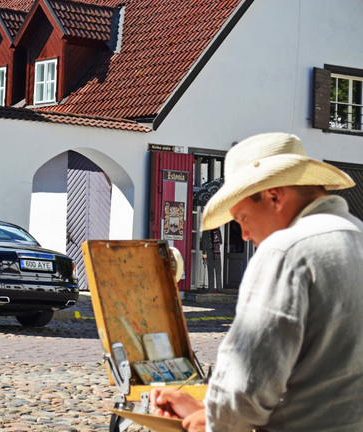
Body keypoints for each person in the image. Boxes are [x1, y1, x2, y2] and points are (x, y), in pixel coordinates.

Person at [151, 132, 363, 431]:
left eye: (242, 220)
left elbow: (248, 381)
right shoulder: (356, 236)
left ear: (274, 196)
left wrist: (215, 421)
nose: (246, 236)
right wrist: (205, 409)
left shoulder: (287, 250)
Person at [200, 228, 222, 292]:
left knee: (218, 270)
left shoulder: (217, 230)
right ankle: (211, 288)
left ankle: (219, 288)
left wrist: (216, 236)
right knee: (210, 271)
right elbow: (203, 243)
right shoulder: (205, 231)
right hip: (209, 252)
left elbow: (221, 241)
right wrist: (204, 253)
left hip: (217, 252)